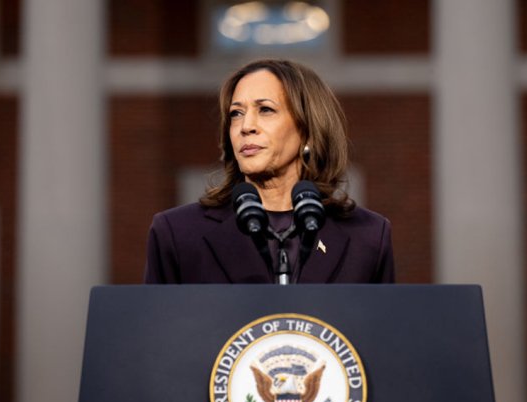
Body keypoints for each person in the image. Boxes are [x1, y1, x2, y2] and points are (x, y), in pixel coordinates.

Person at [144, 59, 394, 284]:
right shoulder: (177, 233)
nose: (246, 126)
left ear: (307, 129)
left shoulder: (368, 237)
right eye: (236, 113)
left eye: (265, 109)